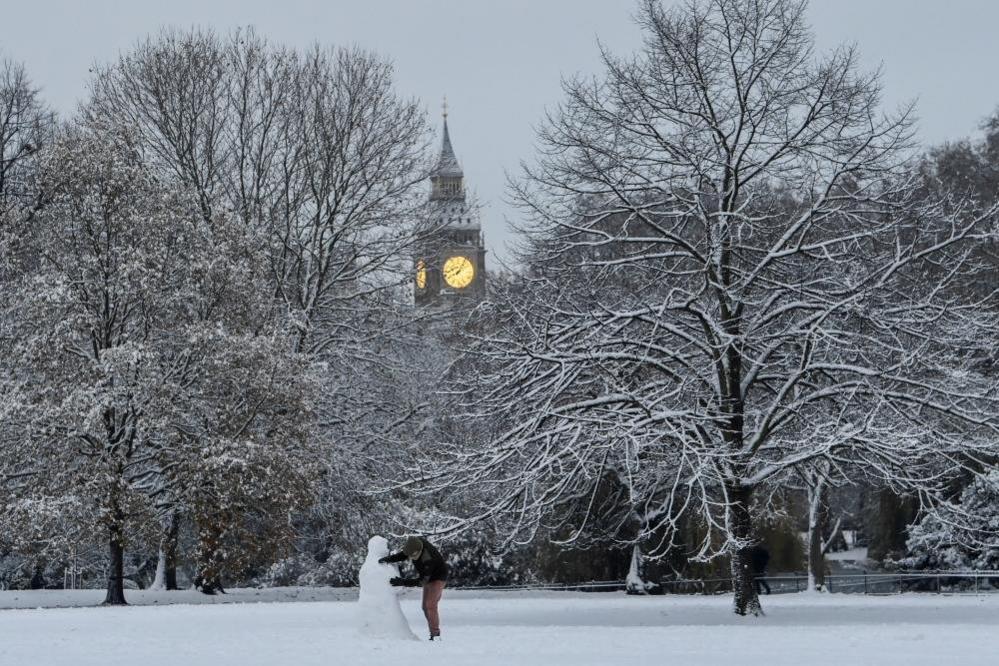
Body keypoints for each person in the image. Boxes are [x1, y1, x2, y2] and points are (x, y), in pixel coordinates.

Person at [379, 535, 449, 641]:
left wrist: (402, 582)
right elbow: (404, 554)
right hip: (427, 576)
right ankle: (433, 633)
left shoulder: (428, 559)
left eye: (414, 555)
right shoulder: (413, 545)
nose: (411, 557)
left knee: (430, 605)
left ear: (419, 550)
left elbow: (422, 581)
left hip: (438, 578)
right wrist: (389, 559)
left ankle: (436, 635)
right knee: (424, 607)